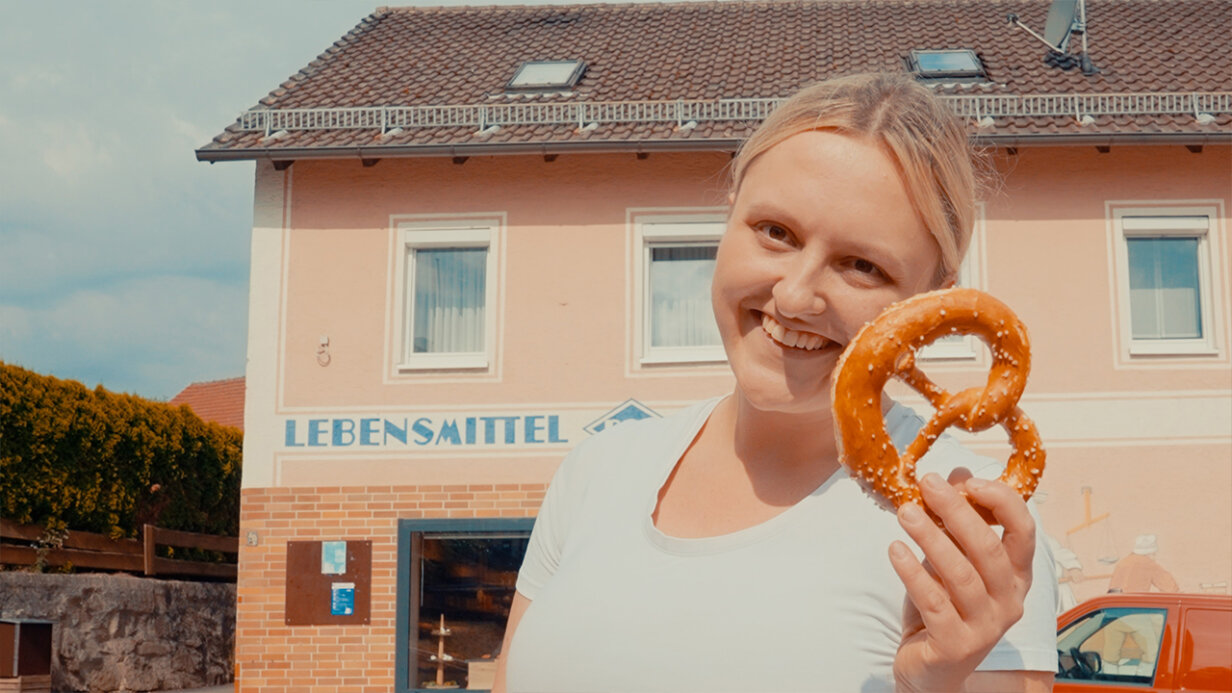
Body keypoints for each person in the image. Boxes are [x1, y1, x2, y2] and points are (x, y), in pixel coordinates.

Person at [493, 73, 1057, 692]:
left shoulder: (968, 532)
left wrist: (934, 685)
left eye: (861, 266)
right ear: (728, 211)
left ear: (932, 301)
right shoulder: (598, 471)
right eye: (775, 233)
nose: (794, 296)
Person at [1108, 534, 1179, 594]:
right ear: (1151, 552)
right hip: (1135, 606)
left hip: (1114, 605)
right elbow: (1171, 589)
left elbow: (1112, 590)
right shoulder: (1148, 564)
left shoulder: (1123, 562)